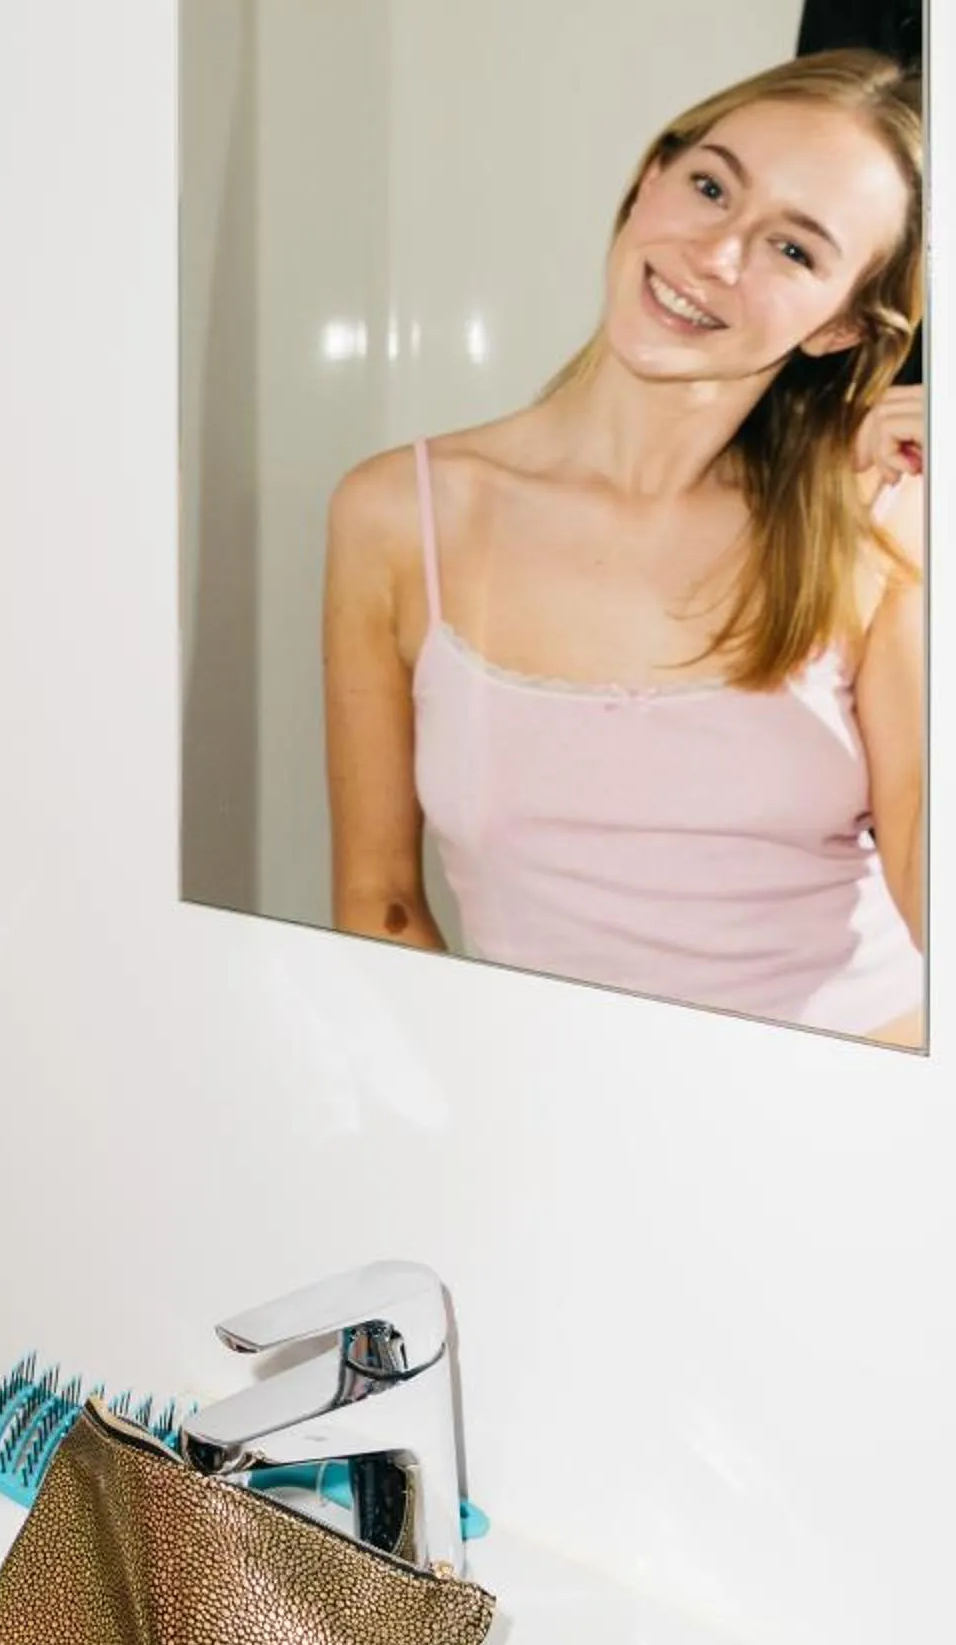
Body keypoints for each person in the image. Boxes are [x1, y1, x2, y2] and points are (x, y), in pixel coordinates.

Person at [323, 51, 924, 1046]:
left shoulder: (875, 518)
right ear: (648, 180)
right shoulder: (396, 513)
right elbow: (378, 904)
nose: (716, 254)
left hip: (858, 1099)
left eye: (792, 251)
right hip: (552, 1116)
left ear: (840, 328)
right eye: (707, 186)